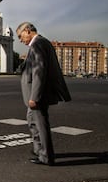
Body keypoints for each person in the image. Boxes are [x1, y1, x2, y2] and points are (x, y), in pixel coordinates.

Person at [16, 22, 71, 166]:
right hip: (37, 94)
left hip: (37, 95)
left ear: (27, 31)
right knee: (32, 120)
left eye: (20, 36)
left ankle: (46, 156)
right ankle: (39, 150)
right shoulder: (41, 43)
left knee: (40, 124)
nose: (20, 40)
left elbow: (39, 72)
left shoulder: (38, 44)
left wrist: (34, 97)